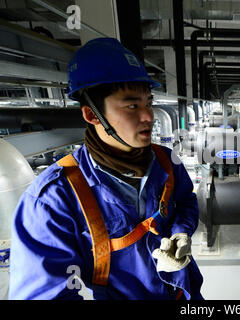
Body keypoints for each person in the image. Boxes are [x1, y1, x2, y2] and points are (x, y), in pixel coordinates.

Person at [9, 37, 203, 300]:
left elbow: (186, 200)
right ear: (91, 115)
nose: (148, 116)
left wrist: (181, 231)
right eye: (132, 105)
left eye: (148, 102)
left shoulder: (168, 161)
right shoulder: (53, 198)